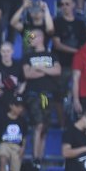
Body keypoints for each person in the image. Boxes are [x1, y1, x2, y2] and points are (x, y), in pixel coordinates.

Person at [22, 29, 61, 161]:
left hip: (47, 95)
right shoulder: (27, 56)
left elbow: (57, 70)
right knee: (38, 124)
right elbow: (28, 74)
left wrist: (39, 68)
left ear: (41, 37)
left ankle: (41, 157)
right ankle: (35, 157)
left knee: (45, 126)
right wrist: (47, 71)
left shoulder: (51, 55)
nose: (31, 39)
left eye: (33, 36)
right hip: (33, 94)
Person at [0, 95, 28, 171]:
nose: (20, 108)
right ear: (11, 106)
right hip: (5, 144)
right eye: (17, 106)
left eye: (21, 106)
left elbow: (24, 136)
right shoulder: (2, 118)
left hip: (17, 146)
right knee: (3, 159)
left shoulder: (22, 120)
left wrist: (23, 148)